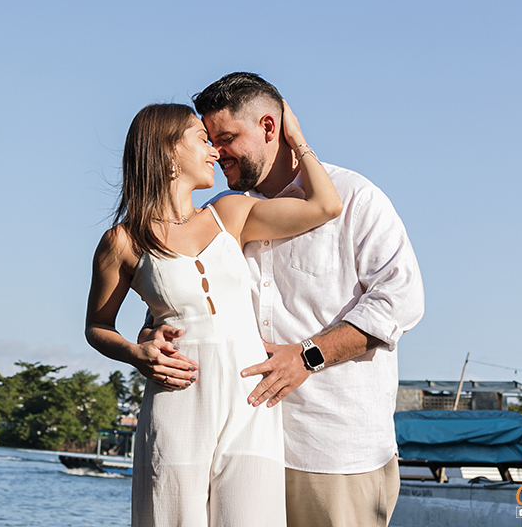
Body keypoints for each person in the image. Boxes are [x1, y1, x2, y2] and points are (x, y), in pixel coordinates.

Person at [143, 72, 425, 527]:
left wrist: (307, 356)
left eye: (227, 138)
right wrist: (152, 340)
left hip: (329, 450)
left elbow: (400, 301)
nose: (216, 151)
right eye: (209, 140)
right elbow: (173, 305)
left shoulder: (356, 197)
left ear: (270, 127)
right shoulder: (218, 215)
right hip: (239, 445)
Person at [85, 100, 342, 527]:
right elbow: (97, 326)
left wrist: (296, 137)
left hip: (250, 401)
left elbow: (325, 206)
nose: (215, 151)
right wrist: (135, 353)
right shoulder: (123, 241)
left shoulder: (230, 213)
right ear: (168, 151)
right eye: (203, 140)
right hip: (178, 399)